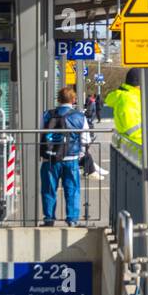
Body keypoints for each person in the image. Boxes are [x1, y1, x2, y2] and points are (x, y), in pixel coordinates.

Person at [40, 85, 87, 227]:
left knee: (48, 189)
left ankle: (49, 219)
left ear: (59, 99)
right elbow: (85, 139)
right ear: (73, 100)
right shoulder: (79, 117)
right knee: (72, 189)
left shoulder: (47, 114)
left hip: (50, 159)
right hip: (70, 159)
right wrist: (80, 154)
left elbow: (41, 133)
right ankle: (72, 219)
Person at [105, 68, 142, 154]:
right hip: (138, 150)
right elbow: (133, 129)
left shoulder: (130, 97)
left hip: (133, 148)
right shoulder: (129, 99)